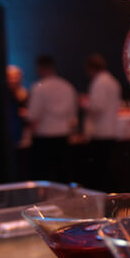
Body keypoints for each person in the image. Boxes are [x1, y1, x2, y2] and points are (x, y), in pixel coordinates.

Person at [27, 55, 78, 183]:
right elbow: (72, 117)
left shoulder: (39, 87)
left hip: (44, 138)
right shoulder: (67, 86)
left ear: (40, 69)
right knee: (63, 177)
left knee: (45, 177)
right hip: (63, 138)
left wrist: (29, 134)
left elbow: (33, 115)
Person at [79, 53, 122, 189]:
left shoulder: (99, 82)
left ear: (90, 68)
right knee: (109, 169)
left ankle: (101, 197)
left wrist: (83, 103)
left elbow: (98, 106)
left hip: (100, 132)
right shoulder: (113, 81)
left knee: (100, 171)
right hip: (112, 130)